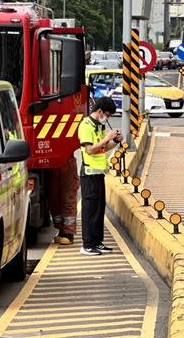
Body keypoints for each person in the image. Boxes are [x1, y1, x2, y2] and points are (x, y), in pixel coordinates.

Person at [78, 96, 121, 256]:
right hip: (89, 173)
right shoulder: (86, 125)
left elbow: (102, 148)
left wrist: (114, 141)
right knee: (89, 209)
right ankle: (87, 244)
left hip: (99, 173)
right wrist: (106, 138)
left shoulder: (99, 126)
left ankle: (97, 242)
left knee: (99, 208)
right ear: (100, 111)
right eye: (108, 115)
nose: (108, 118)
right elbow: (90, 149)